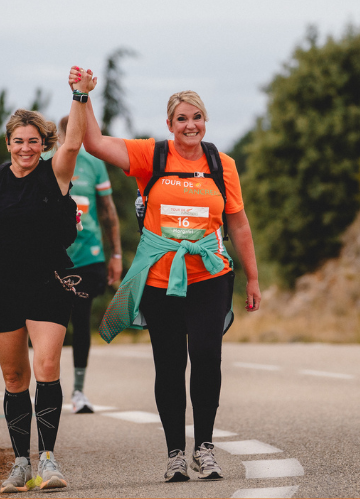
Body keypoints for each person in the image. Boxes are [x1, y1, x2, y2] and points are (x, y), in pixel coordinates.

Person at [82, 90, 262, 483]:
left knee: (205, 355)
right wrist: (82, 96)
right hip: (160, 279)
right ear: (169, 124)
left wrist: (252, 277)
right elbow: (93, 143)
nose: (190, 125)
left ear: (205, 120)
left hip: (210, 275)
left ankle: (206, 449)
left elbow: (239, 223)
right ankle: (175, 455)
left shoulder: (222, 164)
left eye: (197, 116)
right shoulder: (153, 156)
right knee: (168, 365)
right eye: (181, 118)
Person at [0, 66, 92, 493]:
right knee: (15, 379)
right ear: (8, 143)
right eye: (19, 141)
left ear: (42, 144)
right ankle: (19, 463)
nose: (26, 148)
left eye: (34, 141)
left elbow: (74, 140)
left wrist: (79, 95)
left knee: (46, 366)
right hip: (0, 287)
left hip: (48, 283)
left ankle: (47, 461)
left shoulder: (56, 172)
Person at [55, 114, 123, 414]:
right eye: (69, 134)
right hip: (53, 257)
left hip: (89, 256)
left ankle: (78, 391)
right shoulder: (47, 160)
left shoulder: (95, 164)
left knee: (81, 321)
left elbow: (108, 210)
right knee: (51, 323)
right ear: (58, 136)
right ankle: (46, 387)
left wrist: (116, 254)